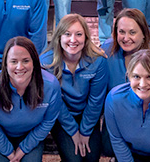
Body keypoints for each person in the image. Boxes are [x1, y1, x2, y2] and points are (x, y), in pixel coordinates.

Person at [0, 37, 62, 162]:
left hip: (30, 135)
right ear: (5, 64)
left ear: (34, 62)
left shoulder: (51, 85)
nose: (20, 67)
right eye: (13, 61)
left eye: (25, 61)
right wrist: (9, 152)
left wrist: (24, 149)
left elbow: (48, 121)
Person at [40, 14, 108, 162]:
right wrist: (73, 131)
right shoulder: (46, 63)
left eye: (79, 34)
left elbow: (96, 100)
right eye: (67, 34)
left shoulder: (98, 61)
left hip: (87, 115)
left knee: (91, 158)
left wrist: (84, 131)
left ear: (86, 38)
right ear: (59, 37)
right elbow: (55, 103)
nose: (73, 40)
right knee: (74, 159)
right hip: (60, 115)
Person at [101, 8, 150, 91]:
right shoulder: (106, 51)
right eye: (122, 32)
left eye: (132, 32)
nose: (126, 38)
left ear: (144, 34)